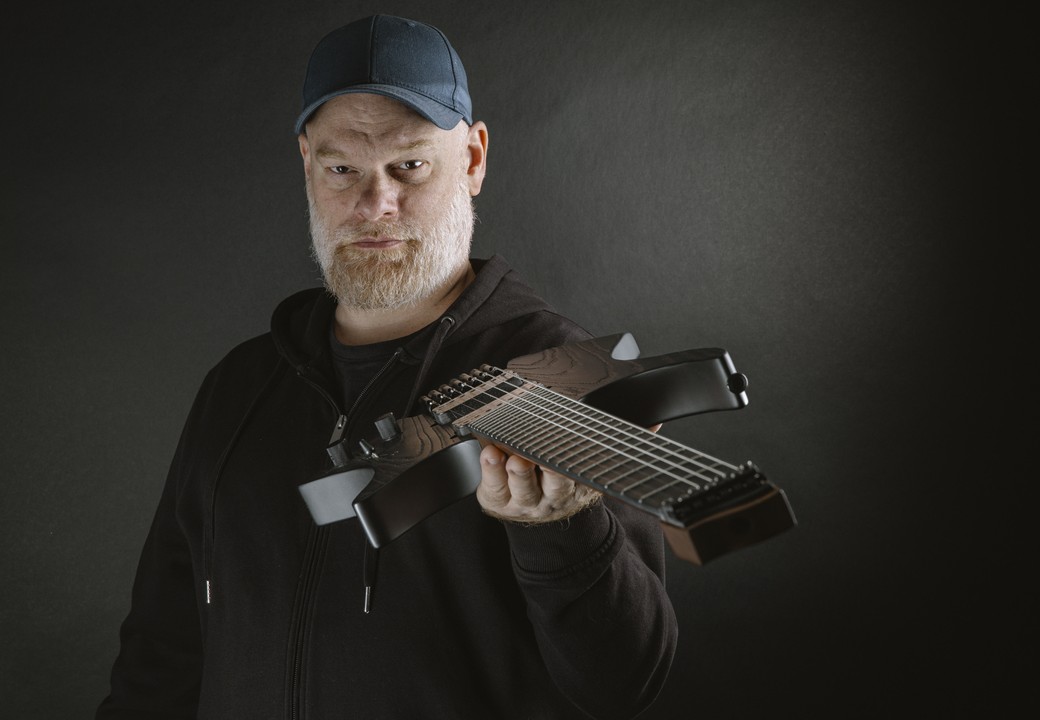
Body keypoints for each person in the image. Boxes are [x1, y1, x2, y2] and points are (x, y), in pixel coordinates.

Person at [97, 14, 677, 720]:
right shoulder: (239, 386)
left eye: (409, 166)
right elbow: (161, 652)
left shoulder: (563, 382)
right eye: (343, 169)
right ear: (306, 164)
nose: (375, 206)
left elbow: (624, 684)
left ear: (473, 160)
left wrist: (563, 530)